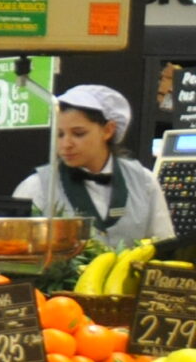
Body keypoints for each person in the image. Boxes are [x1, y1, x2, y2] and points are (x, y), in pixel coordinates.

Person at [13, 82, 161, 248]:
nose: (66, 144)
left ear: (108, 130)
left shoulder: (144, 182)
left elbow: (163, 246)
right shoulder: (36, 187)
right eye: (59, 134)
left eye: (78, 133)